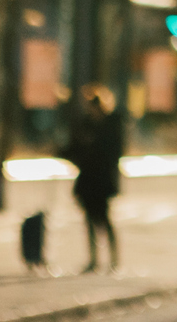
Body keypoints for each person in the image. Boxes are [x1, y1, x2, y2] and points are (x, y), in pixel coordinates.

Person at [64, 84, 122, 273]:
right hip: (87, 180)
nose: (92, 110)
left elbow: (115, 152)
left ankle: (114, 260)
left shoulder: (112, 124)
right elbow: (74, 149)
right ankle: (94, 259)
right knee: (89, 220)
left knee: (104, 219)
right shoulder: (86, 124)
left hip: (102, 180)